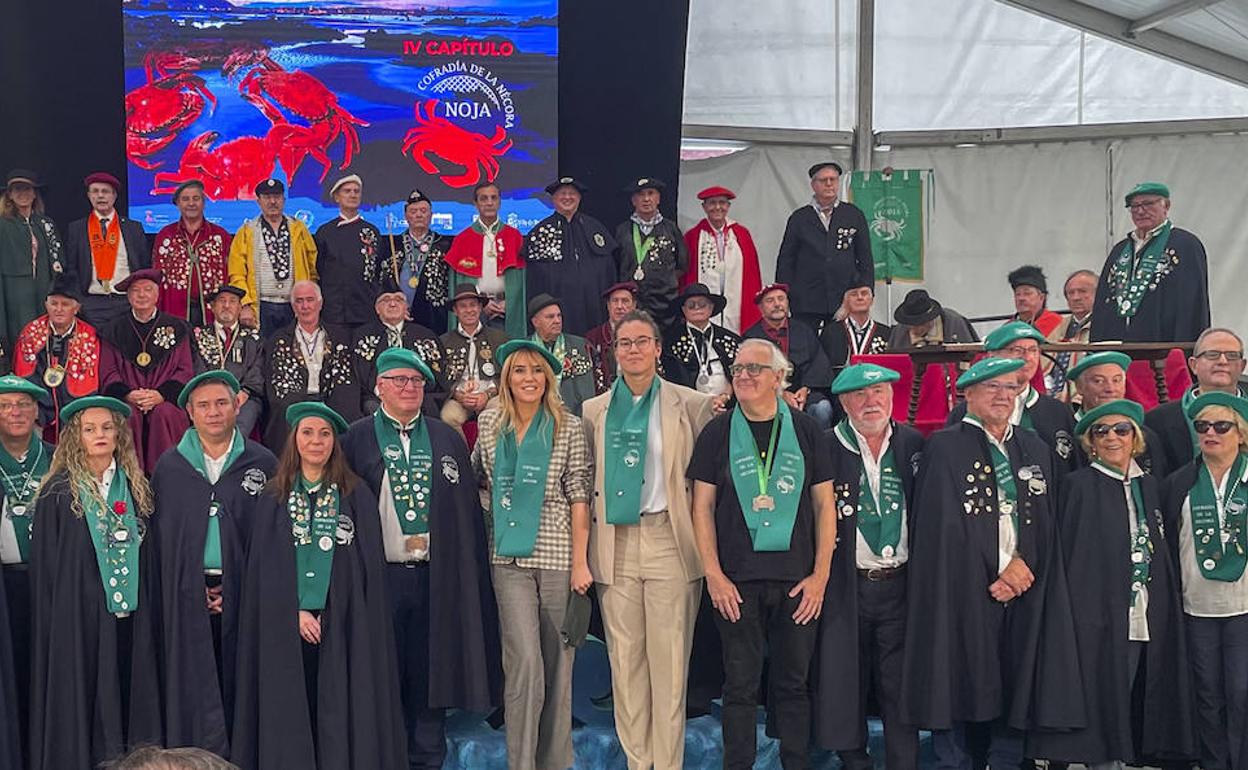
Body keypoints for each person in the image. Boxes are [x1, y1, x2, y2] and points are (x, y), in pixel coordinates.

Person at [903, 357, 1083, 770]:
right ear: (968, 394)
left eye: (1009, 387)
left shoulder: (1033, 447)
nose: (1002, 396)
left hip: (1024, 588)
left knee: (1015, 680)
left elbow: (1046, 519)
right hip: (964, 590)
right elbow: (940, 527)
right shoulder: (945, 447)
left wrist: (1023, 568)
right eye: (991, 388)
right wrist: (997, 570)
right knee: (961, 680)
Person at [340, 348, 502, 770]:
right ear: (379, 387)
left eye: (415, 381)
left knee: (430, 671)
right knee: (384, 670)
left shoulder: (446, 436)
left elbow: (465, 512)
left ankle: (428, 759)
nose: (408, 388)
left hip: (435, 576)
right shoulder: (355, 438)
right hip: (380, 578)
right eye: (398, 380)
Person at [231, 402, 405, 770]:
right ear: (294, 440)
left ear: (334, 443)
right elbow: (264, 571)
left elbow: (366, 571)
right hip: (285, 628)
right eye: (307, 433)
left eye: (324, 434)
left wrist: (336, 612)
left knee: (338, 709)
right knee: (292, 711)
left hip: (342, 626)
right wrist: (292, 612)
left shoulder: (355, 495)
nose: (316, 441)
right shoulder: (273, 498)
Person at [689, 338, 837, 770]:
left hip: (798, 582)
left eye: (755, 369)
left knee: (792, 685)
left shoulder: (807, 429)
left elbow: (824, 506)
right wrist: (713, 575)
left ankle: (795, 762)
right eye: (737, 370)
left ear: (779, 377)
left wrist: (821, 577)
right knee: (739, 687)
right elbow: (701, 507)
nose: (744, 376)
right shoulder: (716, 432)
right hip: (735, 583)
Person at [582, 309, 717, 770]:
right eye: (625, 343)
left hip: (668, 540)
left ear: (659, 349)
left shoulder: (692, 404)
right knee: (626, 666)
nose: (634, 350)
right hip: (614, 542)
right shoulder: (593, 410)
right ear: (614, 351)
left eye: (642, 342)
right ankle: (639, 763)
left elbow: (705, 485)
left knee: (669, 666)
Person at [1028, 399, 1194, 768]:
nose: (1111, 438)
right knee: (1101, 692)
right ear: (1090, 442)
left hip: (1144, 610)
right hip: (1095, 616)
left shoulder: (1150, 485)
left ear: (1135, 437)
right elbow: (1070, 556)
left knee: (1135, 689)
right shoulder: (1078, 486)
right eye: (1100, 431)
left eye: (1121, 430)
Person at [471, 339, 592, 770]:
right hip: (508, 558)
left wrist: (581, 562)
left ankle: (555, 763)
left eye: (537, 371)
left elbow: (579, 494)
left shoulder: (569, 426)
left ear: (549, 378)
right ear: (506, 377)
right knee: (524, 663)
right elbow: (478, 477)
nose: (529, 379)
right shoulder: (489, 423)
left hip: (558, 555)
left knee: (559, 666)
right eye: (520, 370)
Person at [30, 395, 162, 770]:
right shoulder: (58, 493)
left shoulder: (139, 488)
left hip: (131, 618)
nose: (100, 435)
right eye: (90, 429)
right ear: (77, 437)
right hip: (79, 619)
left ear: (119, 434)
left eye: (107, 428)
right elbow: (49, 570)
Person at [150, 371, 277, 757]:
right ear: (189, 412)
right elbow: (165, 542)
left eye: (222, 403)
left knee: (244, 682)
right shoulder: (170, 468)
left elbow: (272, 538)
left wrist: (237, 586)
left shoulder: (264, 461)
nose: (214, 412)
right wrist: (193, 586)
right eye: (203, 405)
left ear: (237, 404)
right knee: (194, 683)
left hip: (248, 596)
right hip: (189, 595)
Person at [814, 363, 923, 769]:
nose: (871, 401)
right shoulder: (825, 446)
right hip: (847, 584)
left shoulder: (913, 443)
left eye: (879, 392)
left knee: (901, 685)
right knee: (846, 681)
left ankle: (903, 762)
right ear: (843, 402)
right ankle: (853, 761)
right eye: (860, 395)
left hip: (900, 583)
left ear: (892, 396)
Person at [1160, 392, 1248, 770]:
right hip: (1196, 608)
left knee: (1242, 692)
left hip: (1244, 608)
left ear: (1240, 433)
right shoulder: (1179, 482)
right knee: (1207, 695)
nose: (1210, 433)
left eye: (1221, 426)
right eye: (1202, 426)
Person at [0, 375, 52, 766]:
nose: (14, 412)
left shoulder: (58, 457)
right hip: (5, 587)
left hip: (53, 585)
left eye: (22, 404)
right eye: (4, 406)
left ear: (37, 411)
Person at [949, 321, 1079, 474]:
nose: (1027, 357)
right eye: (1017, 350)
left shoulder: (1058, 412)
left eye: (1033, 350)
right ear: (992, 356)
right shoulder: (967, 412)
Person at [98, 268, 194, 471]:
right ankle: (131, 478)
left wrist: (161, 395)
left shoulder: (177, 328)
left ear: (157, 294)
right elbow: (109, 372)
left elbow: (184, 370)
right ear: (128, 295)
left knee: (165, 413)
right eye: (135, 290)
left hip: (165, 400)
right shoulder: (113, 330)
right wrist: (129, 394)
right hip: (129, 399)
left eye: (147, 289)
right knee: (127, 414)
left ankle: (168, 475)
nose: (141, 295)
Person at [1091, 182, 1210, 344]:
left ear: (1166, 206)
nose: (1140, 211)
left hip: (1162, 344)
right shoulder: (1120, 250)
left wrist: (1185, 349)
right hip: (1118, 347)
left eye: (1148, 204)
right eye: (1134, 206)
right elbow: (1103, 300)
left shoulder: (1185, 245)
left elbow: (1192, 302)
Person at [775, 162, 873, 332]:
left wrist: (865, 292)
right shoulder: (799, 218)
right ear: (813, 185)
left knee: (839, 349)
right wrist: (785, 295)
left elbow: (865, 258)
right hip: (805, 299)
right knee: (804, 347)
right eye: (824, 180)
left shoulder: (853, 214)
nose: (829, 184)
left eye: (833, 180)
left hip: (843, 298)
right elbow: (786, 260)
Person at [263, 280, 358, 451]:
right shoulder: (278, 340)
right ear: (293, 307)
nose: (305, 306)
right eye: (299, 301)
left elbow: (347, 379)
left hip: (331, 399)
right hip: (296, 401)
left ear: (320, 304)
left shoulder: (340, 337)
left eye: (310, 300)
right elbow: (276, 383)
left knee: (347, 406)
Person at [524, 177, 618, 336]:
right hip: (558, 310)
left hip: (594, 310)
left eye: (572, 193)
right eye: (562, 193)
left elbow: (608, 273)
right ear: (553, 198)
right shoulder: (540, 233)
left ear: (579, 198)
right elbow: (536, 282)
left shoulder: (595, 228)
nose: (567, 197)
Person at [1146, 327, 1246, 474]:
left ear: (1242, 366)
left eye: (1232, 355)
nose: (1223, 361)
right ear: (1193, 365)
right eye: (1212, 355)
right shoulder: (1156, 421)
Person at [227, 178, 318, 337]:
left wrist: (310, 298)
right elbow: (237, 273)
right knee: (262, 354)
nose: (272, 201)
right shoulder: (247, 231)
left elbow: (312, 266)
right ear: (259, 201)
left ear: (283, 199)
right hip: (262, 304)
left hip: (294, 303)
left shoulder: (299, 228)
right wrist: (246, 304)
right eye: (267, 197)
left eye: (276, 197)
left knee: (293, 353)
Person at [63, 172, 151, 329]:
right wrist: (80, 301)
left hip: (126, 301)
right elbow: (72, 268)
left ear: (114, 196)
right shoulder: (76, 228)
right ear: (89, 195)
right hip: (92, 303)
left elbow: (144, 265)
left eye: (105, 191)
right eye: (95, 191)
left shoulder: (133, 228)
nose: (100, 196)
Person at [12, 281, 100, 438]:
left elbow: (89, 383)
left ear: (76, 308)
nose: (58, 309)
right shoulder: (32, 332)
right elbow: (25, 378)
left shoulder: (89, 336)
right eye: (54, 303)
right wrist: (41, 409)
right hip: (40, 409)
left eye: (65, 304)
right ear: (46, 305)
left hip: (76, 407)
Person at [743, 283, 835, 429]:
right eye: (770, 301)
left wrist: (805, 389)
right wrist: (780, 393)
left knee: (822, 409)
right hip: (767, 394)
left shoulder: (804, 330)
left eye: (781, 299)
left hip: (804, 393)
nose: (777, 304)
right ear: (760, 308)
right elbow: (751, 375)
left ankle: (819, 450)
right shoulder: (751, 337)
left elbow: (817, 364)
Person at [351, 283, 449, 416]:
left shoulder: (426, 336)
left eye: (398, 300)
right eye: (386, 300)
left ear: (406, 307)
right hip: (377, 401)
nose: (392, 304)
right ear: (377, 308)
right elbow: (358, 380)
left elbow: (438, 379)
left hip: (419, 399)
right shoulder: (361, 337)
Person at [445, 181, 527, 339]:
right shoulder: (462, 238)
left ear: (499, 202)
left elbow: (522, 281)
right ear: (475, 204)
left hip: (506, 309)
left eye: (493, 198)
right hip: (474, 307)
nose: (489, 203)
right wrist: (482, 303)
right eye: (483, 199)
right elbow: (456, 284)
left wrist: (509, 303)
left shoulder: (514, 236)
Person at [1065, 351, 1167, 477]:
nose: (1110, 388)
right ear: (1079, 387)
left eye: (1116, 380)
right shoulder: (1065, 432)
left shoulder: (1145, 436)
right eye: (1098, 381)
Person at [682, 185, 762, 334]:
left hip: (736, 302)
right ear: (704, 207)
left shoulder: (741, 234)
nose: (717, 207)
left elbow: (752, 273)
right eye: (712, 203)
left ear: (728, 206)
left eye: (722, 203)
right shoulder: (693, 236)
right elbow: (687, 275)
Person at [0, 169, 64, 353]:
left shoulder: (46, 224)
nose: (23, 194)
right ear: (10, 195)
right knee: (20, 335)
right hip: (14, 292)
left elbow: (59, 262)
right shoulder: (3, 225)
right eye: (17, 189)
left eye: (27, 189)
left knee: (46, 337)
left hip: (45, 290)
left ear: (35, 193)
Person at [152, 180, 232, 327]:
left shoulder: (220, 235)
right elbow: (157, 277)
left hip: (212, 309)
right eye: (185, 199)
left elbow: (230, 274)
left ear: (204, 202)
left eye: (196, 198)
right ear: (177, 203)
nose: (191, 203)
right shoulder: (166, 235)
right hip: (175, 307)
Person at [190, 285, 265, 438]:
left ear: (239, 307)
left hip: (244, 397)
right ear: (212, 307)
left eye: (232, 301)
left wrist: (245, 392)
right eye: (221, 301)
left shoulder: (254, 338)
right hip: (208, 396)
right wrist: (213, 395)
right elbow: (197, 369)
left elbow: (258, 370)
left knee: (242, 422)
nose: (226, 306)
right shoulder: (198, 336)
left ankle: (232, 458)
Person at [313, 174, 385, 334]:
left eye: (356, 191)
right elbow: (318, 271)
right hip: (333, 312)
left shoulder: (372, 232)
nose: (353, 195)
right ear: (337, 197)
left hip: (366, 310)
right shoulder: (325, 232)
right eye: (347, 191)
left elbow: (380, 271)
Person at [439, 284, 509, 439]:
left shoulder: (500, 338)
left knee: (498, 411)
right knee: (448, 417)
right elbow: (440, 378)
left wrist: (488, 394)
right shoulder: (444, 342)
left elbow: (508, 373)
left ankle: (491, 460)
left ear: (480, 308)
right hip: (459, 398)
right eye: (463, 306)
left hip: (491, 396)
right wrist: (458, 395)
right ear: (455, 311)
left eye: (473, 305)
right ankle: (463, 459)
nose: (469, 310)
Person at [614, 177, 687, 324]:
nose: (646, 199)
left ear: (658, 198)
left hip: (665, 306)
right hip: (632, 304)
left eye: (651, 193)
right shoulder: (622, 230)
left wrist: (665, 282)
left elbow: (682, 264)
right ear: (633, 200)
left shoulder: (671, 229)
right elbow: (616, 264)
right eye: (640, 195)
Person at [380, 189, 451, 334]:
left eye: (423, 210)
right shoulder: (390, 244)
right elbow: (381, 282)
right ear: (406, 216)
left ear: (431, 215)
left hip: (434, 317)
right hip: (396, 317)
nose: (418, 215)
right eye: (413, 211)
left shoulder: (445, 244)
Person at [662, 282, 740, 397]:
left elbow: (739, 375)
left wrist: (725, 398)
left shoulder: (730, 339)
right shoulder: (670, 342)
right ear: (683, 310)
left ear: (711, 307)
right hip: (688, 407)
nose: (697, 308)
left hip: (727, 406)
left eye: (702, 304)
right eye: (691, 305)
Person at [528, 293, 595, 416]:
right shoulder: (525, 348)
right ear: (535, 322)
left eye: (559, 316)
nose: (557, 321)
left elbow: (587, 391)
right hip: (533, 415)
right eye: (550, 317)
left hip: (571, 415)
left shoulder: (579, 345)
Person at [819, 278, 892, 373]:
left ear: (872, 300)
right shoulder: (831, 332)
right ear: (846, 301)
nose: (860, 297)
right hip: (841, 385)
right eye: (854, 294)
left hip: (873, 385)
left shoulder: (887, 333)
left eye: (864, 293)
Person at [1046, 269, 1098, 401]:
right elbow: (1044, 365)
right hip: (1053, 397)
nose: (1075, 297)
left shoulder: (1105, 325)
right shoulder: (1061, 326)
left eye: (1082, 291)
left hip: (1088, 398)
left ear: (1098, 294)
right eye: (1071, 293)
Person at [586, 281, 637, 393]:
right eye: (615, 301)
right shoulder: (593, 338)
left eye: (625, 301)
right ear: (608, 306)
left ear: (634, 306)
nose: (619, 306)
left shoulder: (644, 336)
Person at [887, 288, 979, 349]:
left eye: (919, 324)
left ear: (930, 319)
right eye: (911, 325)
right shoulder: (899, 332)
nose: (914, 330)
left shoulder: (954, 323)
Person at [1008, 265, 1062, 337]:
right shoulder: (1007, 328)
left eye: (1027, 293)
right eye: (1017, 294)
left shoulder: (1059, 324)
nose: (1021, 298)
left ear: (1042, 297)